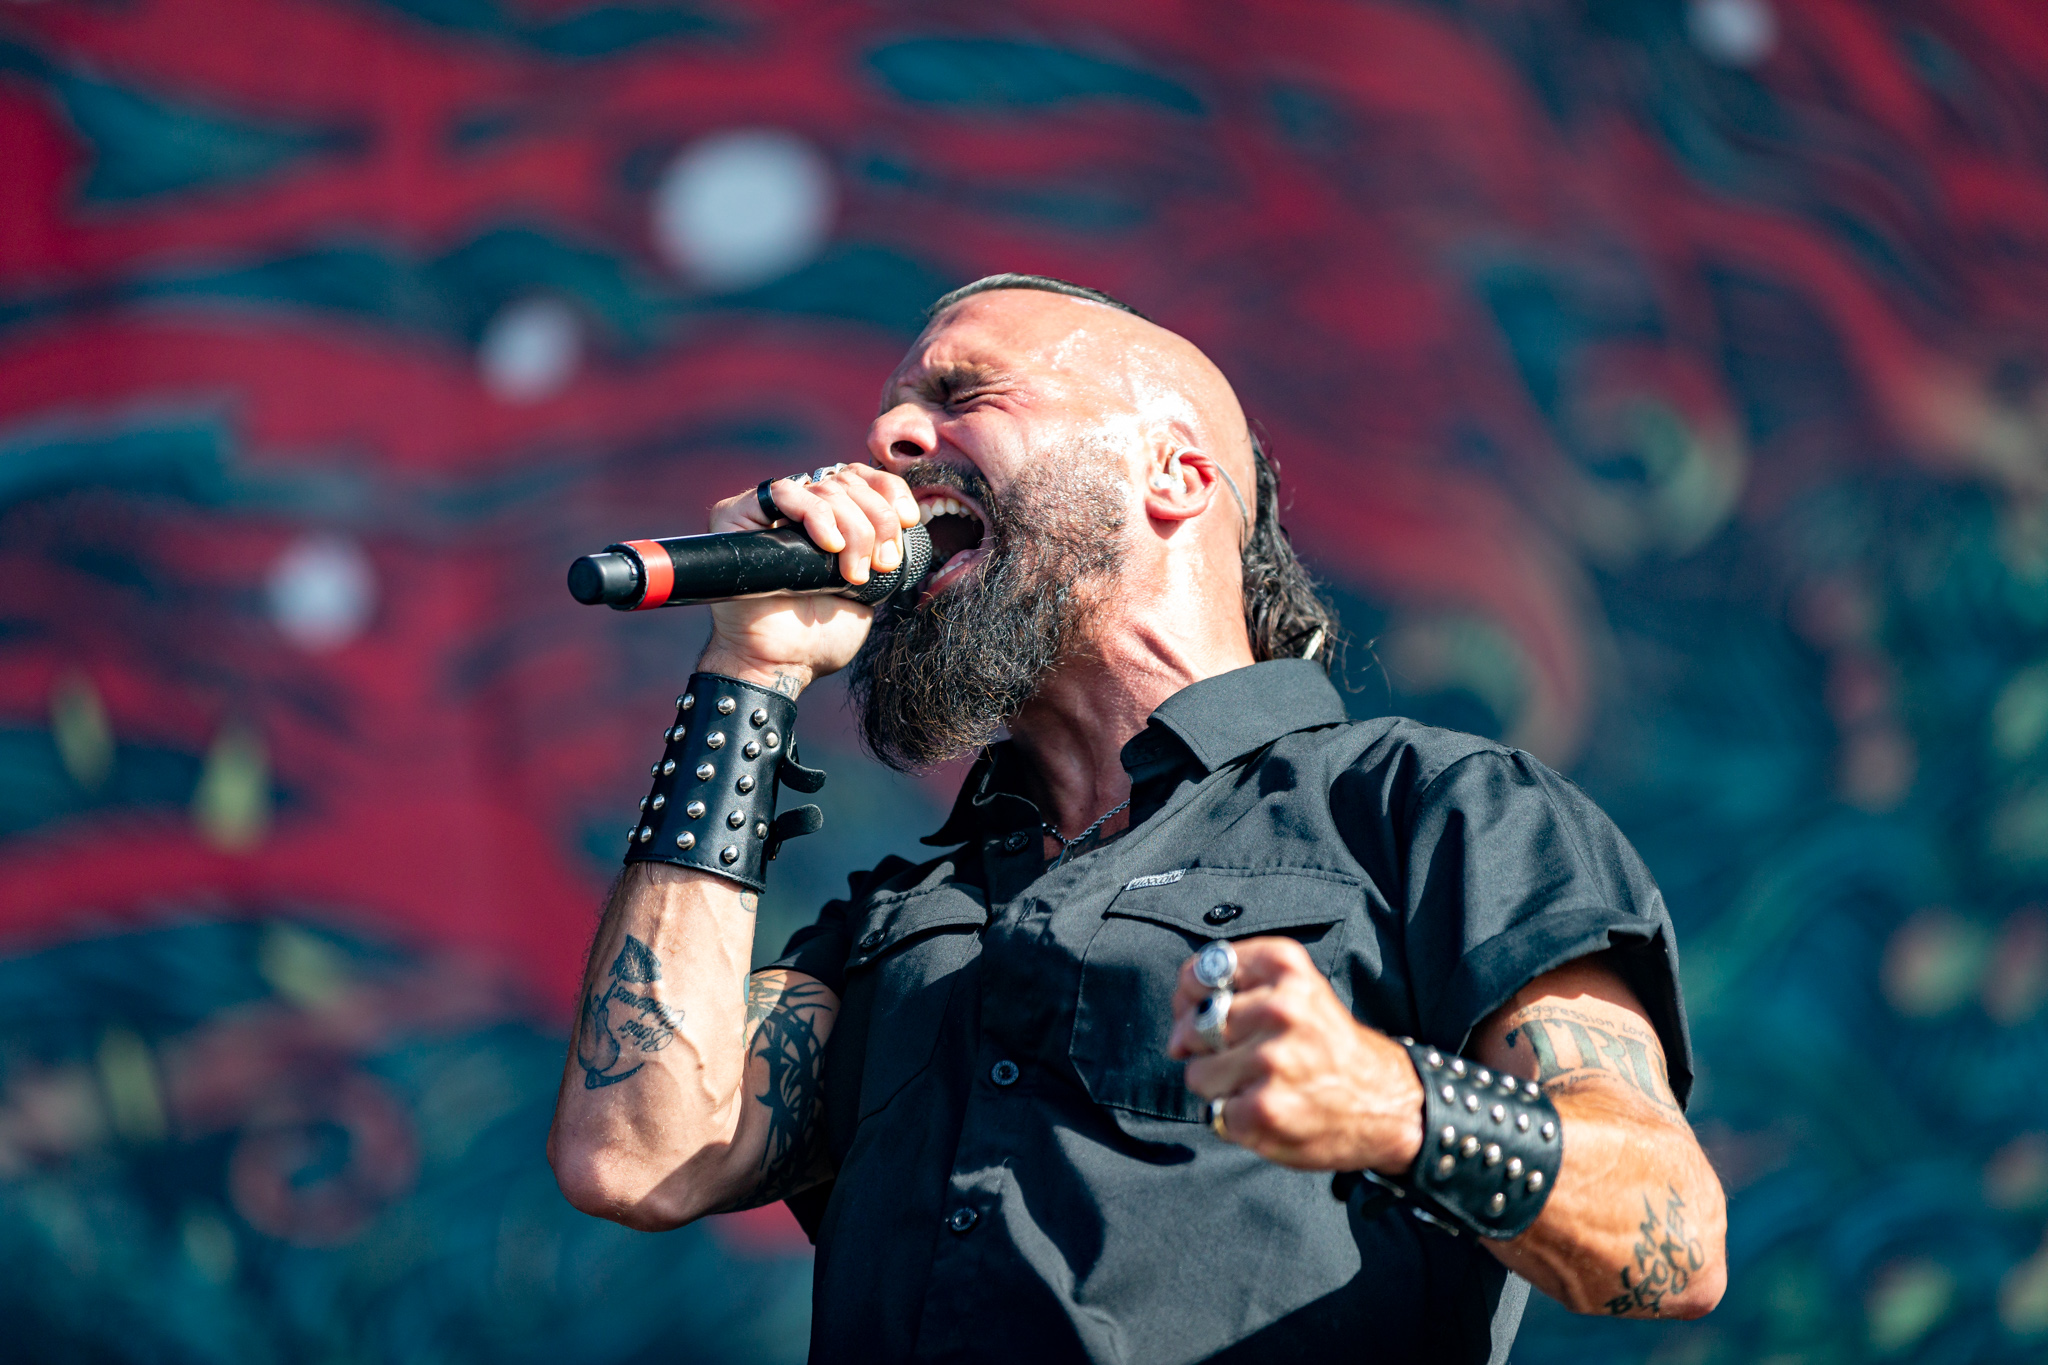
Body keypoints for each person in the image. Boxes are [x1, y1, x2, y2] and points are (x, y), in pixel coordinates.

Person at [547, 274, 1727, 1363]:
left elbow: (1668, 1234)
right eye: (895, 413)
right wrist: (748, 668)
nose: (891, 440)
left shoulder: (1428, 811)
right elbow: (634, 1155)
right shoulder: (898, 917)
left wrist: (1391, 1105)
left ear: (1174, 475)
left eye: (960, 395)